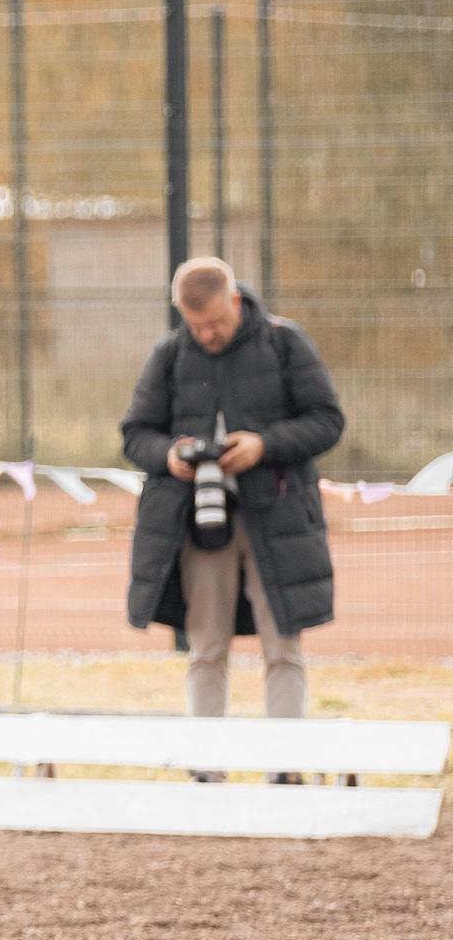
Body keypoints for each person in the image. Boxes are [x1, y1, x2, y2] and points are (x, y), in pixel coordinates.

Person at [121, 257, 344, 737]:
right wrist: (171, 455)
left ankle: (286, 767)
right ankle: (207, 770)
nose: (206, 334)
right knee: (205, 649)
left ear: (236, 300)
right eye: (195, 325)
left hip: (280, 521)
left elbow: (327, 420)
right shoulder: (169, 354)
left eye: (216, 322)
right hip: (200, 527)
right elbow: (136, 434)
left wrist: (264, 445)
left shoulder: (286, 341)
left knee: (283, 649)